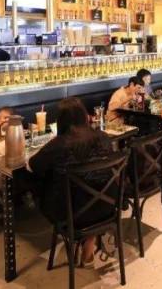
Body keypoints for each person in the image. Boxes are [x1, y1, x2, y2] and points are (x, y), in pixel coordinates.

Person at [28, 97, 112, 267]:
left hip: (70, 214)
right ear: (85, 116)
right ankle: (89, 242)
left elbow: (33, 166)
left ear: (60, 121)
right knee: (89, 189)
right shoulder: (103, 137)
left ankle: (78, 237)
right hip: (107, 206)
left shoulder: (58, 144)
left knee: (35, 181)